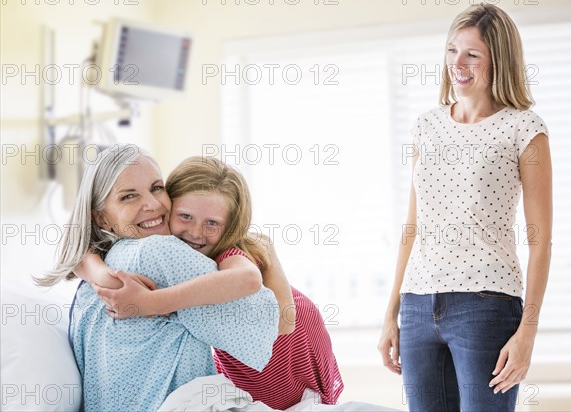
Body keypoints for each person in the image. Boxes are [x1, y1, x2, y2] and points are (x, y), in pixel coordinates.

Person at [378, 3, 552, 411]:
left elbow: (541, 241)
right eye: (452, 50)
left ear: (499, 62)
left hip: (486, 305)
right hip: (418, 305)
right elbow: (412, 226)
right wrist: (391, 313)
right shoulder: (427, 125)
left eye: (472, 54)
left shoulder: (524, 128)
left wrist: (527, 332)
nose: (458, 63)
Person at [82, 156, 344, 409]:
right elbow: (79, 258)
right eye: (185, 216)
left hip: (291, 347)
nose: (196, 232)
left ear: (229, 226)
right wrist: (101, 274)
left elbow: (255, 286)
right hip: (255, 357)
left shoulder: (229, 254)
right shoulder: (154, 250)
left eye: (212, 223)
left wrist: (149, 302)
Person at [36, 145, 279, 412]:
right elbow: (270, 323)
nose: (152, 205)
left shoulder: (108, 260)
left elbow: (79, 253)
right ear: (102, 218)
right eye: (129, 196)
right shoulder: (158, 251)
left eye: (156, 187)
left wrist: (129, 289)